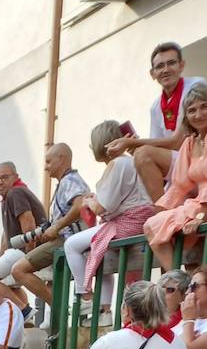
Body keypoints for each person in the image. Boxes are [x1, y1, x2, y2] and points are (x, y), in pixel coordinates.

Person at [64, 121, 156, 320]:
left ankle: (86, 298)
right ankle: (104, 310)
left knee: (71, 245)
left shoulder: (118, 164)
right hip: (141, 220)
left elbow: (103, 207)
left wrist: (89, 201)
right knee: (99, 253)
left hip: (129, 223)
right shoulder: (131, 161)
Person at [106, 42, 207, 202]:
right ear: (152, 74)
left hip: (199, 157)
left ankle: (163, 212)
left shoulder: (195, 86)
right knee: (141, 156)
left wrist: (132, 143)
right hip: (181, 164)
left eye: (171, 63)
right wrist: (134, 146)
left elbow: (177, 141)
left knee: (144, 153)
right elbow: (156, 148)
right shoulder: (155, 106)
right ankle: (163, 211)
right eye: (160, 66)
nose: (166, 70)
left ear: (182, 66)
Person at [9, 143, 89, 310]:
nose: (45, 168)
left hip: (67, 239)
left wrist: (56, 227)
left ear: (61, 159)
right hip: (65, 239)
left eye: (48, 161)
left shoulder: (70, 180)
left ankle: (59, 309)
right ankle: (58, 311)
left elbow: (80, 204)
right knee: (45, 276)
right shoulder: (66, 182)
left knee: (18, 270)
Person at [144, 82, 207, 271]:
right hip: (197, 206)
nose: (198, 114)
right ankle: (178, 283)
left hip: (202, 208)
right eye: (192, 110)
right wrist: (161, 210)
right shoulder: (190, 143)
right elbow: (180, 186)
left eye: (204, 107)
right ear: (186, 116)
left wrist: (201, 215)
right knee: (151, 226)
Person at [0, 162, 47, 314]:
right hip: (18, 251)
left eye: (4, 177)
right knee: (3, 282)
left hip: (23, 251)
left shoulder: (15, 193)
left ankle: (23, 311)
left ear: (16, 177)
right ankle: (22, 313)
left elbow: (28, 224)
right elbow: (6, 234)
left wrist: (30, 258)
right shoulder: (9, 196)